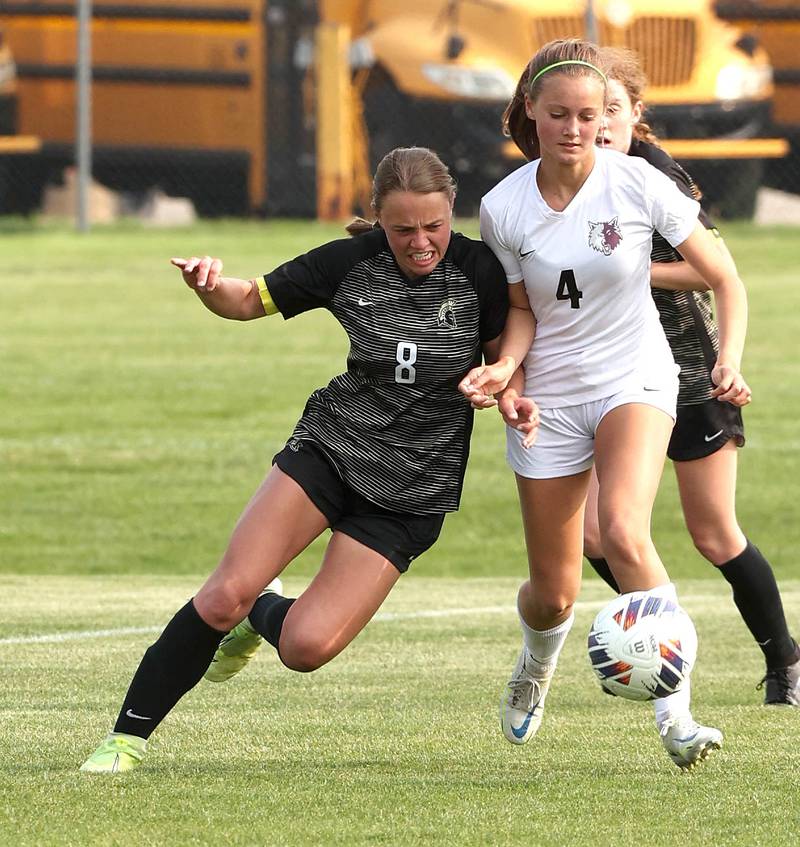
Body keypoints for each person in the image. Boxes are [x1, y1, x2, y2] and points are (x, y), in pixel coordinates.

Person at [80, 146, 509, 774]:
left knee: (306, 648)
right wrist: (207, 286)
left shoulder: (481, 271)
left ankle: (263, 612)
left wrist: (502, 385)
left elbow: (509, 357)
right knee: (224, 593)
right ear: (378, 220)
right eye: (402, 230)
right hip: (334, 449)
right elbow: (247, 300)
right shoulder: (348, 263)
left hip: (416, 490)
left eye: (433, 227)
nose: (420, 242)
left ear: (452, 213)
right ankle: (125, 739)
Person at [459, 39, 750, 770]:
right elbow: (521, 312)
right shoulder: (503, 208)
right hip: (551, 396)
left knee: (623, 528)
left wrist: (728, 359)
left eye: (589, 116)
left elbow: (726, 278)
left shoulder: (640, 184)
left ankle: (677, 717)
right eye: (558, 115)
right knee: (553, 594)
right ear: (531, 111)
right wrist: (507, 375)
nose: (575, 129)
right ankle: (534, 664)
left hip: (636, 377)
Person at [581, 47, 800, 706]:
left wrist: (727, 360)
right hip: (611, 374)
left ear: (634, 115)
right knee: (596, 532)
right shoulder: (560, 180)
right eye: (586, 114)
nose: (596, 127)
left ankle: (785, 659)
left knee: (713, 532)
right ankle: (664, 632)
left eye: (610, 112)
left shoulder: (651, 174)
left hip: (686, 368)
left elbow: (717, 271)